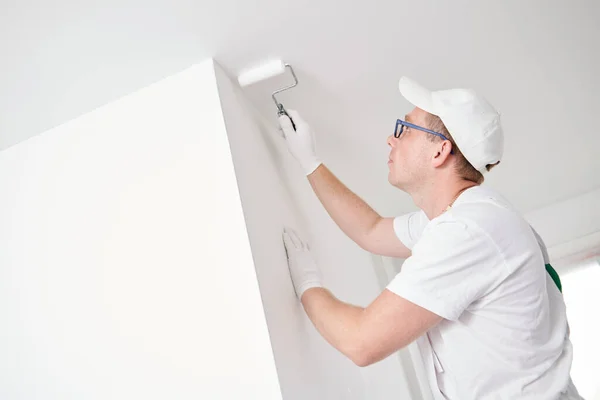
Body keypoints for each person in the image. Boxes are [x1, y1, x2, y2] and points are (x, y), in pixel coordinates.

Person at [278, 77, 582, 399]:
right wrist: (310, 162)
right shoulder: (462, 219)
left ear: (440, 150)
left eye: (405, 129)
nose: (391, 139)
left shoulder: (471, 229)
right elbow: (370, 231)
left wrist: (308, 285)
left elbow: (361, 342)